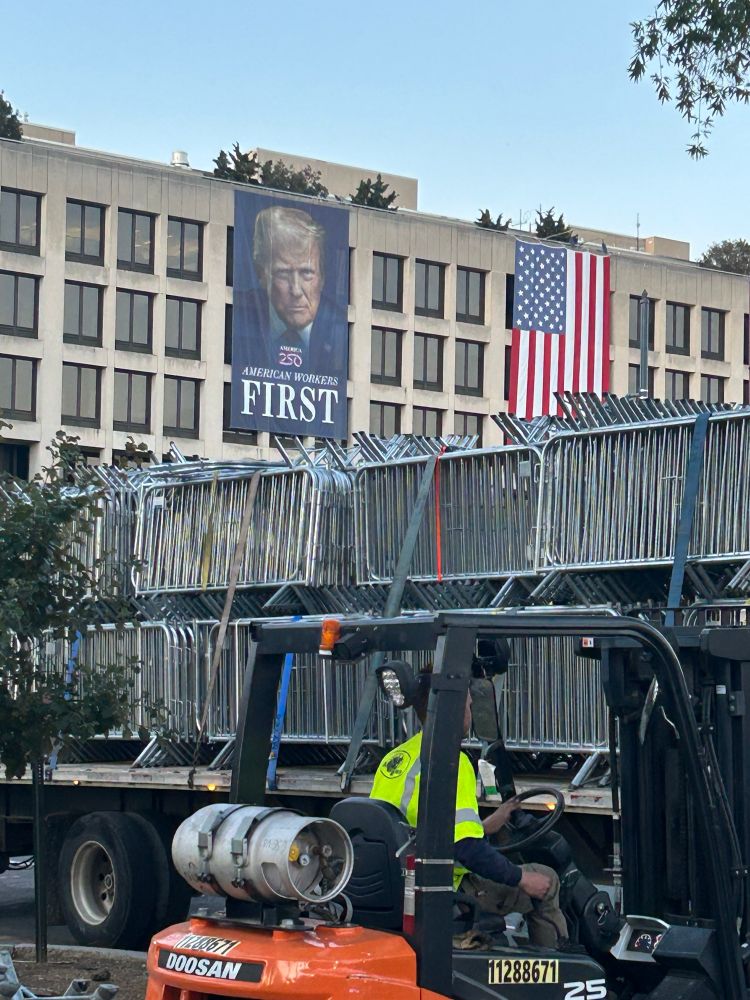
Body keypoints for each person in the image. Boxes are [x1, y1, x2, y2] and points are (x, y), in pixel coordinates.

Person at [370, 671, 569, 949]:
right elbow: (467, 849)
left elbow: (422, 827)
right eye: (467, 702)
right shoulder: (453, 762)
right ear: (450, 707)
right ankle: (553, 977)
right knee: (547, 881)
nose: (472, 708)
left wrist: (486, 825)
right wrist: (522, 878)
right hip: (446, 885)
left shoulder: (396, 757)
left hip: (399, 883)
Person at [238, 204, 345, 373]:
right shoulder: (240, 315)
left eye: (306, 273)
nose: (295, 290)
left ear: (322, 277)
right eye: (283, 273)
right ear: (262, 275)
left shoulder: (341, 328)